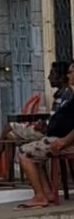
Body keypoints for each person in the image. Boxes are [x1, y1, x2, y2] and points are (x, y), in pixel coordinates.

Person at [0, 61, 73, 177]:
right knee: (9, 136)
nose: (48, 78)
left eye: (52, 74)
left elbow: (62, 121)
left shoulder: (67, 95)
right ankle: (4, 173)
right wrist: (45, 123)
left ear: (61, 77)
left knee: (13, 132)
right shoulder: (61, 95)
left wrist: (46, 126)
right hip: (51, 130)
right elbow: (58, 117)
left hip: (54, 134)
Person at [17, 62, 74, 209]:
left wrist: (64, 141)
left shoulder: (68, 94)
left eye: (70, 72)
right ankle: (46, 192)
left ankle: (39, 196)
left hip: (65, 141)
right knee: (35, 154)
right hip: (57, 136)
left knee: (24, 153)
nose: (68, 76)